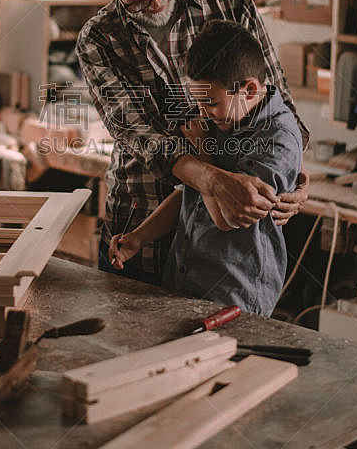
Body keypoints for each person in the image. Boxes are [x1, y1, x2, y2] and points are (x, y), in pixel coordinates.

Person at [76, 0, 309, 285]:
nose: (155, 0)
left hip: (225, 248)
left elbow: (277, 103)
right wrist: (213, 179)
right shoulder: (99, 38)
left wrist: (295, 175)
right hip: (144, 214)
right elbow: (140, 136)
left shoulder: (231, 4)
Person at [108, 20, 303, 315]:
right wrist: (139, 237)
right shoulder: (229, 116)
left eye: (210, 104)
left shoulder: (278, 138)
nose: (204, 114)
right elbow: (193, 192)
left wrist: (202, 152)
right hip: (185, 280)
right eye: (199, 104)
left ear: (249, 89)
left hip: (235, 293)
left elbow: (228, 216)